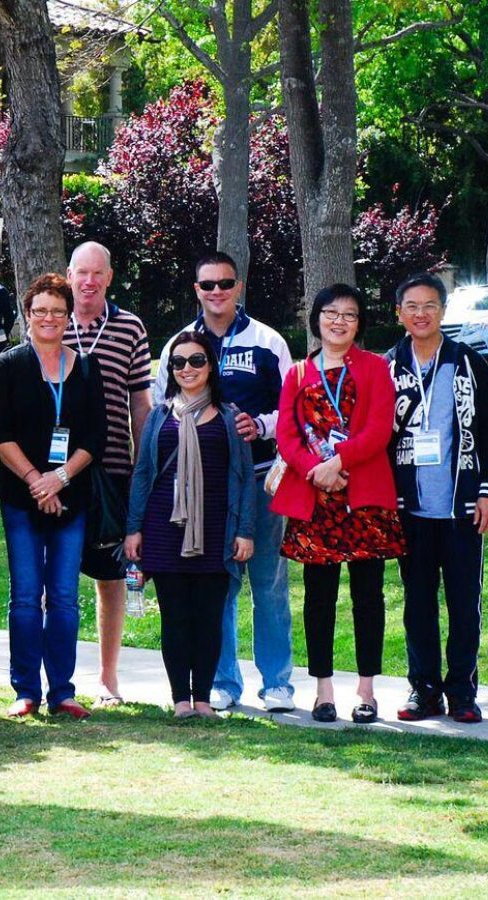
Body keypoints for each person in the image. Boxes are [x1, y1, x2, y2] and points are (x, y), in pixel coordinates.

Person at [152, 252, 295, 713]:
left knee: (268, 583)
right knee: (220, 584)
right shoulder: (180, 343)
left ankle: (277, 684)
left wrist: (264, 426)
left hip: (259, 480)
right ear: (196, 289)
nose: (216, 292)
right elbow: (161, 409)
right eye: (207, 284)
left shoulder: (267, 340)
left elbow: (292, 410)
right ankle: (223, 682)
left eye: (225, 283)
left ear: (238, 286)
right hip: (205, 491)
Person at [272, 284, 404, 725]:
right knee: (318, 597)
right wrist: (316, 470)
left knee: (369, 596)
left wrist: (338, 462)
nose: (339, 321)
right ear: (317, 318)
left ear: (359, 322)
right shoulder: (297, 373)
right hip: (316, 500)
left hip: (364, 499)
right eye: (331, 312)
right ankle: (323, 691)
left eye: (349, 314)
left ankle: (367, 690)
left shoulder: (374, 368)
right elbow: (288, 437)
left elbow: (379, 429)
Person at [388, 273, 488, 724]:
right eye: (412, 306)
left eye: (430, 305)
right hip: (410, 510)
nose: (421, 314)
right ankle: (424, 690)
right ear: (399, 313)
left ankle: (462, 692)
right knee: (417, 603)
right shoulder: (388, 367)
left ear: (443, 310)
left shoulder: (468, 362)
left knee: (463, 602)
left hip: (461, 508)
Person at [0, 274, 105, 719]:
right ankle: (25, 690)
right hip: (20, 498)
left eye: (58, 310)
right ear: (28, 314)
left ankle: (62, 690)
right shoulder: (8, 364)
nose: (49, 318)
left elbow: (98, 436)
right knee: (24, 595)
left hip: (71, 498)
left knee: (63, 597)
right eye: (40, 310)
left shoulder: (87, 367)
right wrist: (38, 481)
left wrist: (59, 479)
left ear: (69, 314)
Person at [126, 331, 256, 718]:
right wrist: (134, 528)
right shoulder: (160, 416)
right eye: (179, 362)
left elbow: (246, 477)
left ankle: (204, 698)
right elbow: (143, 473)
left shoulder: (232, 418)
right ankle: (181, 699)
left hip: (216, 531)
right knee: (176, 617)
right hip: (165, 531)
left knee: (209, 618)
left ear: (211, 366)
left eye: (196, 360)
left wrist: (245, 530)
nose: (187, 369)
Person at [63, 241, 152, 708]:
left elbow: (140, 401)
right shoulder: (51, 320)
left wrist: (144, 465)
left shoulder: (129, 326)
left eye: (98, 273)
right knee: (51, 577)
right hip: (56, 474)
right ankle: (53, 678)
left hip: (114, 468)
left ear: (110, 277)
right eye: (82, 272)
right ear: (69, 274)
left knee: (109, 579)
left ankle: (108, 677)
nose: (89, 281)